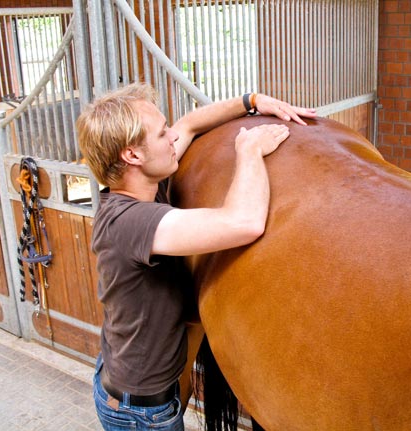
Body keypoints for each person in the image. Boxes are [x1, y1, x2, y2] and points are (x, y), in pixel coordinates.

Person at [76, 82, 316, 431]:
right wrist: (249, 151)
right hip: (140, 413)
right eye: (161, 135)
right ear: (133, 155)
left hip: (128, 381)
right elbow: (244, 222)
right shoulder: (129, 222)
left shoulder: (142, 188)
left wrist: (250, 101)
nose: (172, 138)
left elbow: (188, 124)